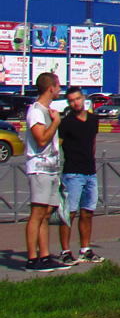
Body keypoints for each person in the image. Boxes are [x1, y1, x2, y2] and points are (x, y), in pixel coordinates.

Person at [24, 72, 70, 272]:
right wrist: (56, 124)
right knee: (37, 212)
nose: (60, 90)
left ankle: (44, 256)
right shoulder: (36, 111)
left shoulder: (48, 111)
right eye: (58, 86)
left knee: (47, 212)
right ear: (50, 88)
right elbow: (41, 140)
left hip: (51, 169)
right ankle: (32, 258)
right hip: (39, 169)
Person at [57, 86, 105, 265]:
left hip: (90, 173)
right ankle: (65, 251)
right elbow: (58, 146)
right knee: (68, 214)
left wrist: (91, 162)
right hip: (72, 173)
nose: (75, 103)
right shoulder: (66, 123)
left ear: (83, 99)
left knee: (88, 212)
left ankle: (85, 250)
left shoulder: (93, 120)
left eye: (77, 99)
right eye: (71, 100)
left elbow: (92, 143)